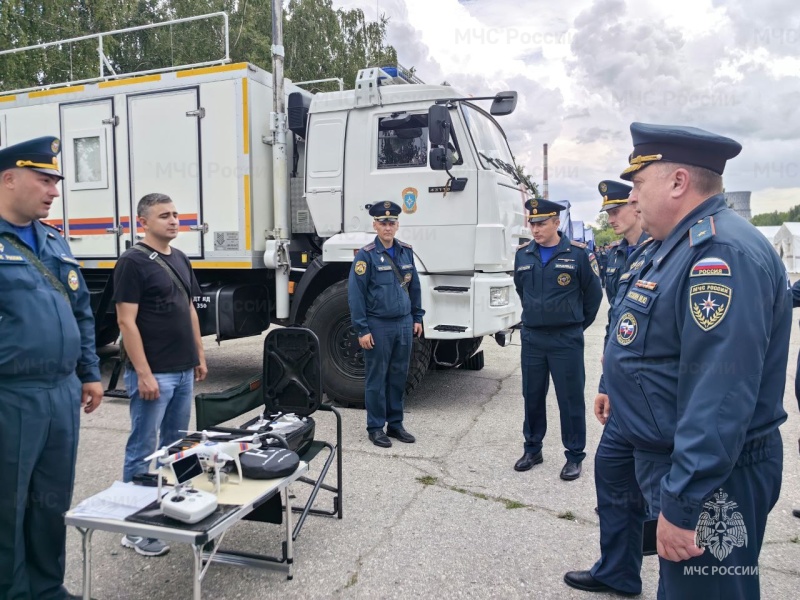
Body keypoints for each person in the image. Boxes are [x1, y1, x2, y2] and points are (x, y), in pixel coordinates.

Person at [601, 122, 790, 599]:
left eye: (639, 184)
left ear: (679, 182)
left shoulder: (720, 254)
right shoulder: (677, 245)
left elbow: (719, 394)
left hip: (712, 478)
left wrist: (684, 504)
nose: (634, 198)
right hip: (686, 467)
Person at [0, 136, 103, 600]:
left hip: (61, 392)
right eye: (44, 180)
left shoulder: (53, 241)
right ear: (9, 179)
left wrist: (89, 372)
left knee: (50, 499)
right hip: (11, 394)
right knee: (8, 503)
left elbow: (80, 309)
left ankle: (45, 586)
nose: (54, 190)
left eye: (54, 181)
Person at [564, 180, 654, 596]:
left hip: (653, 396)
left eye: (617, 210)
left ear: (638, 207)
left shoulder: (663, 251)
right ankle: (618, 570)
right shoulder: (618, 256)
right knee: (613, 474)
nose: (611, 218)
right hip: (622, 389)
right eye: (608, 213)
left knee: (659, 490)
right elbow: (618, 327)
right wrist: (605, 385)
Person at [113, 193, 207, 556]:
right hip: (154, 375)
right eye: (163, 216)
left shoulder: (180, 258)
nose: (172, 220)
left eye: (175, 214)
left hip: (183, 371)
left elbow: (189, 310)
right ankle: (134, 528)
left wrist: (199, 355)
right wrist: (144, 373)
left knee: (178, 444)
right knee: (142, 450)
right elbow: (126, 321)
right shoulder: (132, 263)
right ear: (143, 223)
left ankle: (176, 508)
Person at [513, 198, 602, 480]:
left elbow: (594, 296)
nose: (535, 229)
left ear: (555, 223)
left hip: (566, 339)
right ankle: (532, 449)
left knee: (570, 398)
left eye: (541, 223)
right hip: (533, 339)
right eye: (532, 223)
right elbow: (521, 290)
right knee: (532, 396)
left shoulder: (577, 254)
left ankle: (574, 455)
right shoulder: (523, 255)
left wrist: (574, 325)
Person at [348, 201, 424, 448]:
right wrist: (362, 328)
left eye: (392, 223)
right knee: (377, 378)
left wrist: (417, 317)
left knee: (398, 376)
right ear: (375, 225)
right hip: (378, 325)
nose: (388, 227)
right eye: (383, 223)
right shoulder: (366, 255)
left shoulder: (406, 251)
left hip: (403, 324)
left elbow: (415, 286)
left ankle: (395, 424)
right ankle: (375, 427)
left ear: (397, 225)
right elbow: (356, 294)